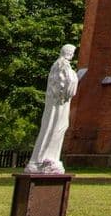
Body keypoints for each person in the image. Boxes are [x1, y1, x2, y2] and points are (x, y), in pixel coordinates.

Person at [26, 44, 78, 174]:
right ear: (68, 53)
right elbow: (66, 83)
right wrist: (74, 77)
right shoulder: (62, 65)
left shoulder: (58, 64)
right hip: (59, 105)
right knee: (57, 127)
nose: (73, 55)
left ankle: (45, 158)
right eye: (72, 52)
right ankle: (46, 159)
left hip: (57, 104)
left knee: (54, 127)